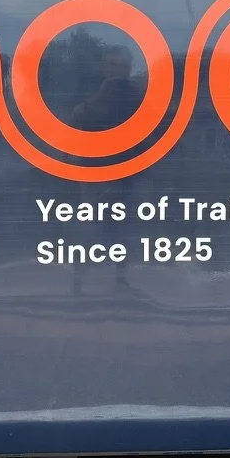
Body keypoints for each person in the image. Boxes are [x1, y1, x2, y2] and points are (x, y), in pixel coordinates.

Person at [70, 45, 141, 294]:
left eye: (122, 66)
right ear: (103, 66)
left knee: (123, 227)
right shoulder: (92, 90)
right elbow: (76, 118)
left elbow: (153, 124)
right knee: (88, 226)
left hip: (126, 172)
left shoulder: (135, 94)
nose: (117, 71)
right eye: (112, 65)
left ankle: (120, 279)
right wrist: (101, 96)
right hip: (93, 171)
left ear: (129, 69)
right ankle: (78, 282)